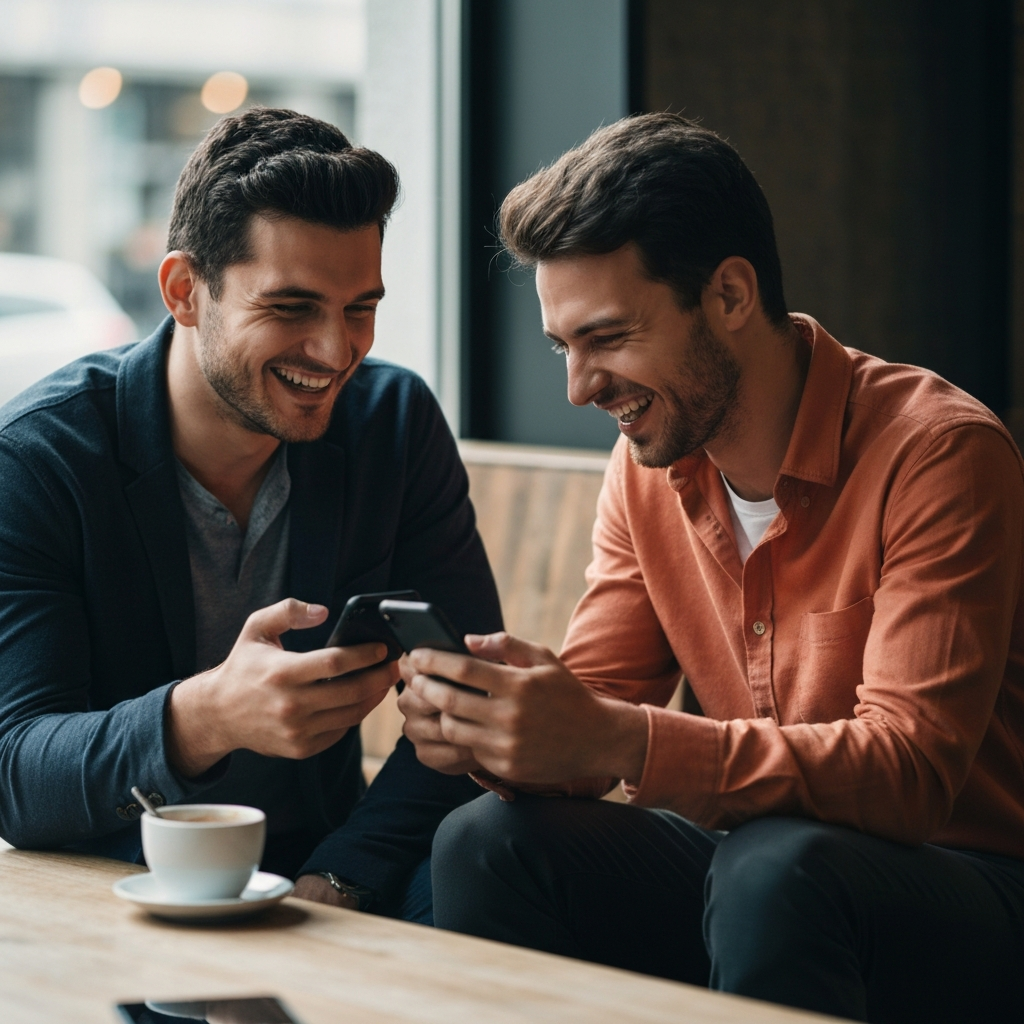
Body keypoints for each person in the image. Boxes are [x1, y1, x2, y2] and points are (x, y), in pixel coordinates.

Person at [398, 113, 1024, 1021]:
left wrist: (620, 740)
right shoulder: (650, 463)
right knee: (487, 840)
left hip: (968, 885)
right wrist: (508, 731)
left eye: (606, 337)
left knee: (777, 866)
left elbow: (908, 774)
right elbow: (602, 699)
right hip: (754, 871)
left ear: (730, 294)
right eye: (562, 347)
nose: (579, 386)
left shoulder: (939, 452)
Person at [0, 107, 499, 922]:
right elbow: (16, 772)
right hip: (113, 893)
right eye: (293, 308)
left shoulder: (392, 425)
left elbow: (466, 701)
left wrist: (339, 878)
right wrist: (206, 716)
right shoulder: (40, 459)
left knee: (487, 859)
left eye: (359, 309)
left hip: (322, 864)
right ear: (184, 291)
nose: (336, 352)